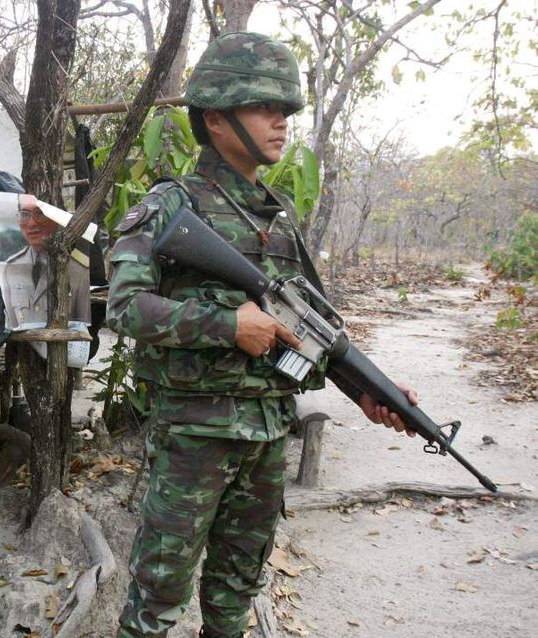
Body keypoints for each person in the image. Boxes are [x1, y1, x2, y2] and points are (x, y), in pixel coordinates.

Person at [107, 33, 418, 638]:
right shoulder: (171, 206)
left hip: (270, 433)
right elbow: (123, 308)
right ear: (216, 119)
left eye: (285, 111)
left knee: (234, 593)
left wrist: (365, 392)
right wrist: (227, 325)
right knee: (158, 597)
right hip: (195, 436)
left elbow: (309, 330)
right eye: (263, 108)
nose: (280, 123)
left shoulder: (279, 218)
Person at [0, 193, 91, 330]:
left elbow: (82, 329)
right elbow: (10, 324)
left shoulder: (77, 269)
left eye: (40, 214)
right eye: (24, 215)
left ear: (56, 219)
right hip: (21, 350)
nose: (31, 223)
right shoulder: (10, 268)